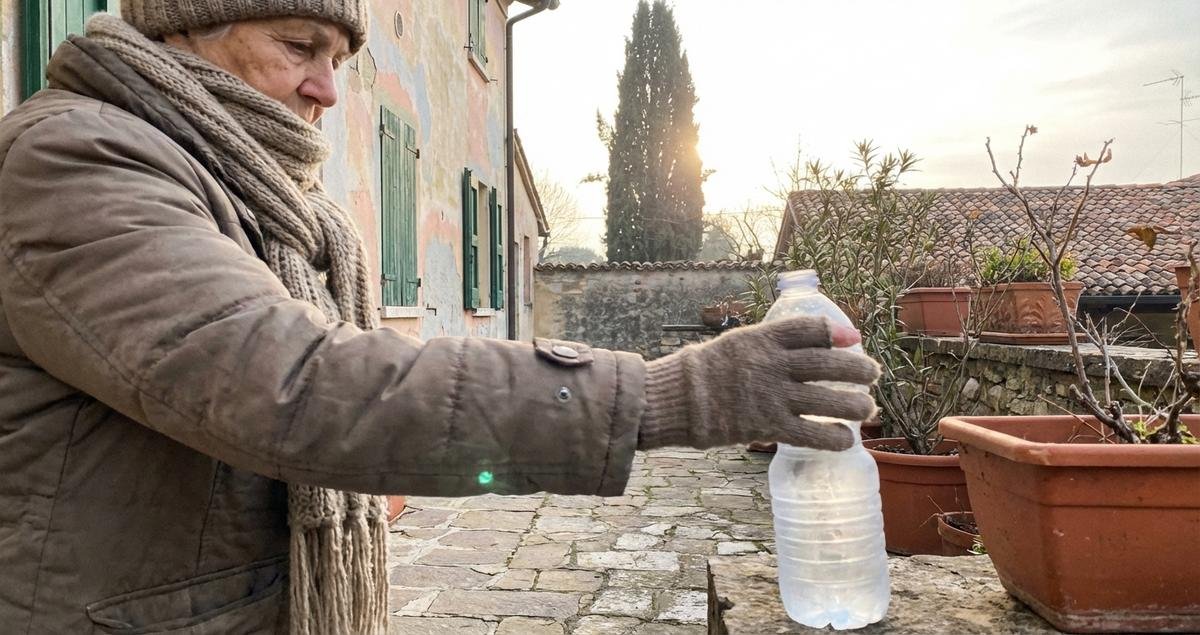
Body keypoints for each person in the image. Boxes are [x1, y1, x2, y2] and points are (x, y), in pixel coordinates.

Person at [0, 1, 880, 632]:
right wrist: (662, 395)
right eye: (299, 46)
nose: (327, 91)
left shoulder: (271, 198)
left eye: (340, 59)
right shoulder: (75, 159)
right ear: (181, 27)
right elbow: (290, 382)